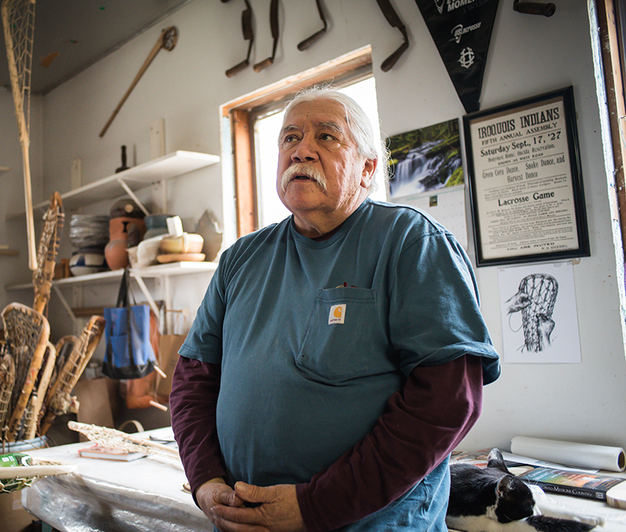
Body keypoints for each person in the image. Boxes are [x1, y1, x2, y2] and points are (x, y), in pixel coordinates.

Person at [169, 86, 500, 532]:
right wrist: (205, 479)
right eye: (289, 138)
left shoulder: (410, 242)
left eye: (326, 137)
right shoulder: (240, 259)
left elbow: (446, 402)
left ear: (367, 168)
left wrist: (316, 505)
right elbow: (194, 380)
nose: (301, 150)